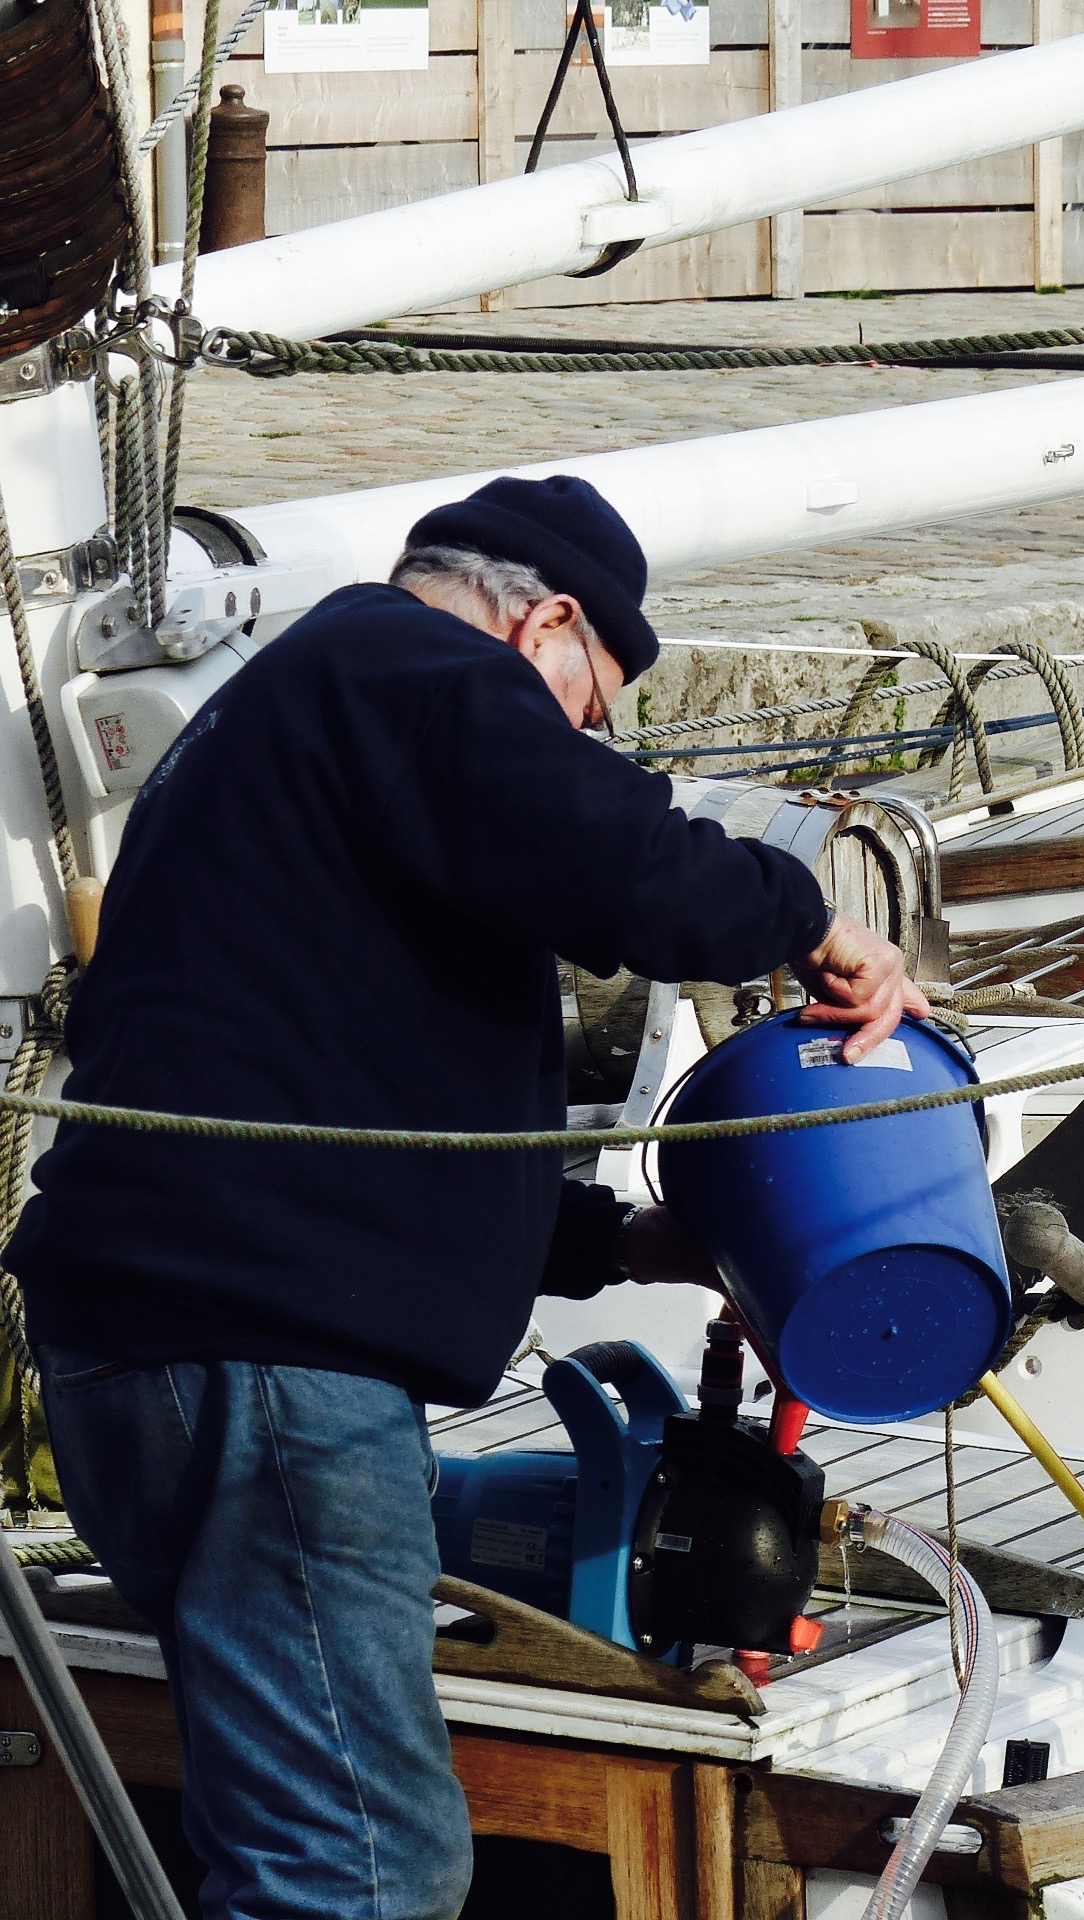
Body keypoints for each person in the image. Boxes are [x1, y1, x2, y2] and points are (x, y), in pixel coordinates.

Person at [5, 474, 925, 1920]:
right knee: (358, 1870)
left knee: (289, 1829)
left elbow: (320, 1080)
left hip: (150, 1345)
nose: (583, 739)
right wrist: (811, 914)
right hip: (264, 1364)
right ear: (545, 620)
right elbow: (625, 862)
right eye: (588, 704)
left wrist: (621, 1241)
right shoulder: (419, 667)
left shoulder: (294, 708)